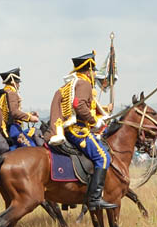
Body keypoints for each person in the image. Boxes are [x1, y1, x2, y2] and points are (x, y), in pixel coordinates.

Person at [47, 51, 116, 211]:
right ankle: (95, 199)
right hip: (78, 130)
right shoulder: (84, 84)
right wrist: (95, 121)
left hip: (72, 128)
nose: (94, 74)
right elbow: (79, 106)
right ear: (87, 70)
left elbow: (84, 104)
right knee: (103, 157)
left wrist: (104, 110)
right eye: (93, 70)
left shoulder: (74, 83)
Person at [0, 68, 41, 150]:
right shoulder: (12, 93)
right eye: (17, 82)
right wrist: (30, 118)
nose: (19, 85)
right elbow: (14, 112)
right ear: (13, 82)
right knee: (32, 149)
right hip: (11, 129)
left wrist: (29, 114)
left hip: (0, 129)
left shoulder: (2, 93)